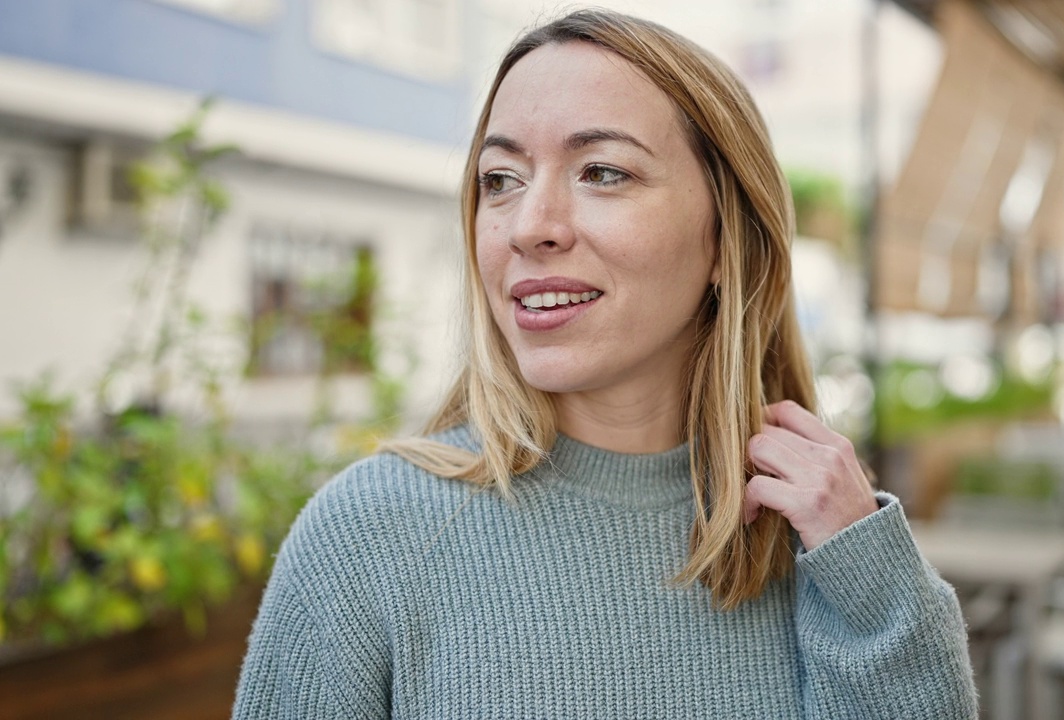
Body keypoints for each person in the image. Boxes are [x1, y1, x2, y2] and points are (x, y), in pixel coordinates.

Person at [233, 9, 978, 719]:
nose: (530, 227)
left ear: (725, 239)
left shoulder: (819, 536)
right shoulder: (368, 537)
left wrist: (868, 574)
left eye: (602, 172)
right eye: (500, 180)